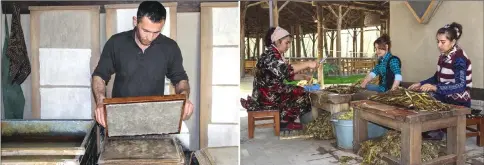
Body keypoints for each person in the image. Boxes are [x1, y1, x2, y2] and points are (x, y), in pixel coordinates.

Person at [92, 1, 194, 127]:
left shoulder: (170, 47)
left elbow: (180, 79)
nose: (150, 37)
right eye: (145, 30)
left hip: (155, 118)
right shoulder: (116, 43)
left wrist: (184, 98)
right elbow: (99, 76)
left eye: (156, 32)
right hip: (120, 117)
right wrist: (101, 101)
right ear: (135, 21)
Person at [241, 26, 319, 130]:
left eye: (289, 43)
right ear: (278, 42)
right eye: (286, 43)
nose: (289, 46)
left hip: (270, 93)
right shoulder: (270, 56)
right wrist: (308, 63)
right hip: (266, 97)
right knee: (301, 92)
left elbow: (286, 74)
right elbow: (285, 70)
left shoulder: (274, 54)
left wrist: (303, 76)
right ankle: (286, 123)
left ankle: (288, 121)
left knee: (296, 90)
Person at [408, 22, 471, 140]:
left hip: (458, 99)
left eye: (443, 42)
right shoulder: (444, 56)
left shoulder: (459, 58)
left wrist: (435, 88)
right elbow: (437, 77)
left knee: (427, 99)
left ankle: (436, 131)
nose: (439, 45)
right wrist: (420, 83)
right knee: (418, 96)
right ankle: (429, 129)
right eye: (438, 42)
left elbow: (461, 85)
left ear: (452, 42)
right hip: (445, 94)